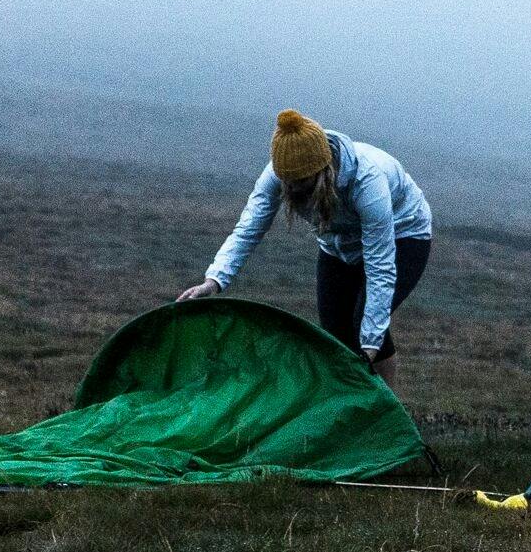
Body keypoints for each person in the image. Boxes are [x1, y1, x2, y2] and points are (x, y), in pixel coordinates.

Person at [177, 110, 435, 382]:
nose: (293, 189)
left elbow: (380, 265)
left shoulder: (367, 183)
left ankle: (387, 417)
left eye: (301, 182)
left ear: (321, 170)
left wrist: (371, 343)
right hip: (337, 244)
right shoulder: (280, 173)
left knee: (365, 329)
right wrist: (214, 280)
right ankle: (353, 410)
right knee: (335, 333)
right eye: (287, 181)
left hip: (403, 234)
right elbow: (248, 229)